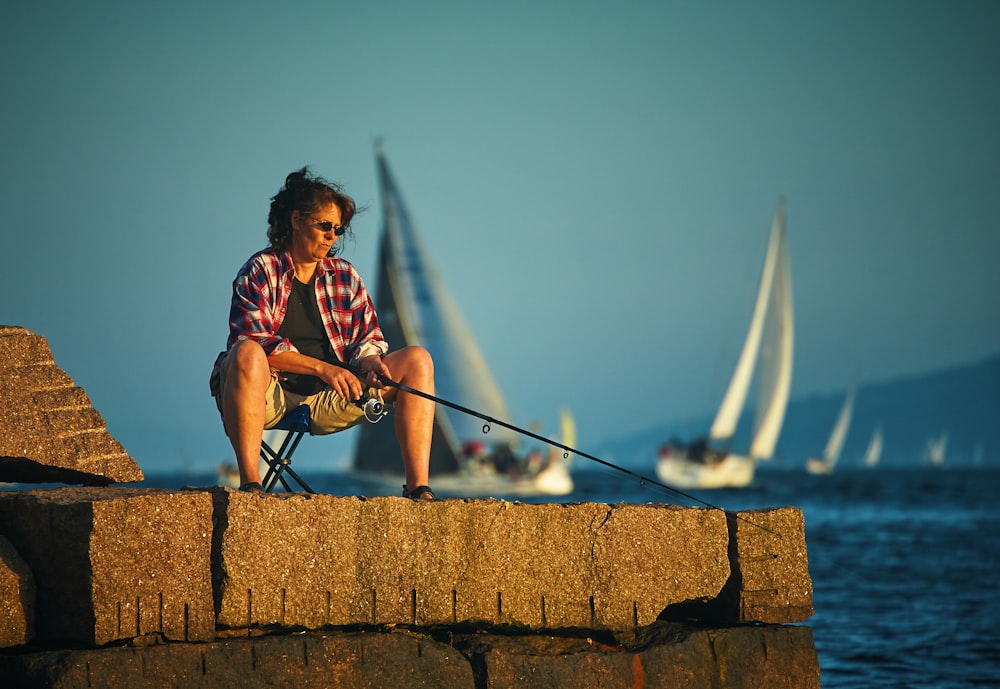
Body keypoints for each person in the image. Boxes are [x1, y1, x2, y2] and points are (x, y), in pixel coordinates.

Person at [209, 167, 436, 499]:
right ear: (297, 220)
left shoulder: (345, 276)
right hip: (271, 396)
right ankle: (250, 485)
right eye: (325, 225)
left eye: (338, 229)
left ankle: (419, 490)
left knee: (417, 360)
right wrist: (323, 368)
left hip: (332, 399)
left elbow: (367, 339)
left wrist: (371, 362)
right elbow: (253, 341)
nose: (332, 236)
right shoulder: (259, 270)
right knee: (245, 354)